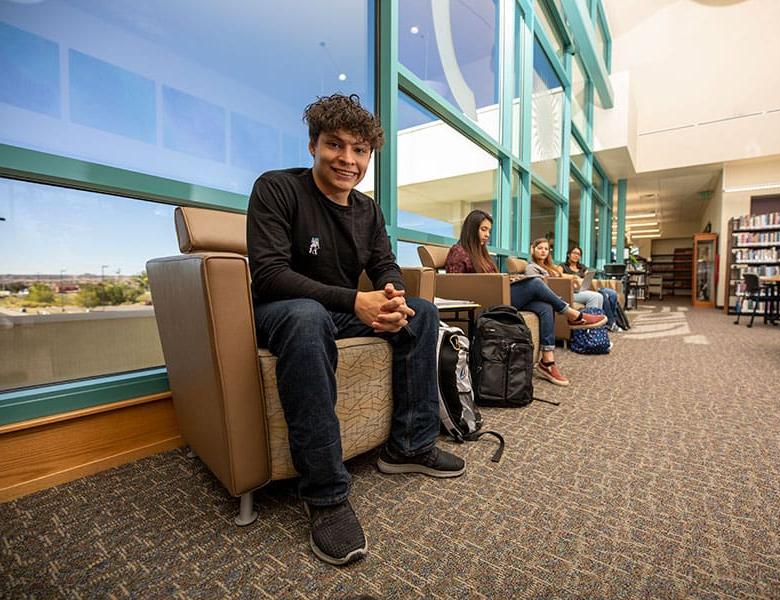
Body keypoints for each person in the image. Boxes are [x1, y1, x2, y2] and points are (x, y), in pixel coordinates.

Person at [247, 93, 464, 566]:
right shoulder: (277, 189)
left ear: (369, 155)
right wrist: (355, 300)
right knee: (306, 315)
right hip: (281, 314)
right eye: (335, 145)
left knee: (422, 313)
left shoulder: (367, 211)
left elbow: (384, 263)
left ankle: (410, 445)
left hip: (339, 312)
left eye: (360, 150)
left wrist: (390, 296)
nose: (348, 159)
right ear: (313, 146)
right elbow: (268, 274)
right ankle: (325, 495)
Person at [445, 210, 607, 386]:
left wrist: (507, 279)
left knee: (544, 306)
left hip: (498, 294)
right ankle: (574, 315)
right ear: (471, 228)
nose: (487, 235)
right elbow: (457, 287)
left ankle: (547, 360)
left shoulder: (481, 253)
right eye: (483, 229)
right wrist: (499, 282)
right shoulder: (458, 251)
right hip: (485, 303)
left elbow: (491, 278)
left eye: (489, 231)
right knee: (535, 283)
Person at [528, 238, 607, 313]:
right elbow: (537, 288)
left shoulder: (550, 267)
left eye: (546, 249)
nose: (543, 251)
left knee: (599, 296)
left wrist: (573, 281)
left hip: (565, 291)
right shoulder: (532, 267)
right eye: (540, 248)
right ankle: (590, 327)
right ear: (533, 250)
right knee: (594, 297)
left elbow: (561, 277)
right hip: (556, 295)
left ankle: (598, 325)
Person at [561, 246, 620, 329]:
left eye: (578, 254)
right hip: (570, 292)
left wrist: (586, 277)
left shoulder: (582, 267)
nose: (576, 256)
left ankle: (599, 326)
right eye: (574, 253)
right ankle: (591, 328)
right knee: (596, 296)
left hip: (582, 290)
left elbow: (588, 277)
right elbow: (558, 275)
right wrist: (573, 276)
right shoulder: (562, 266)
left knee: (604, 295)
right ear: (568, 255)